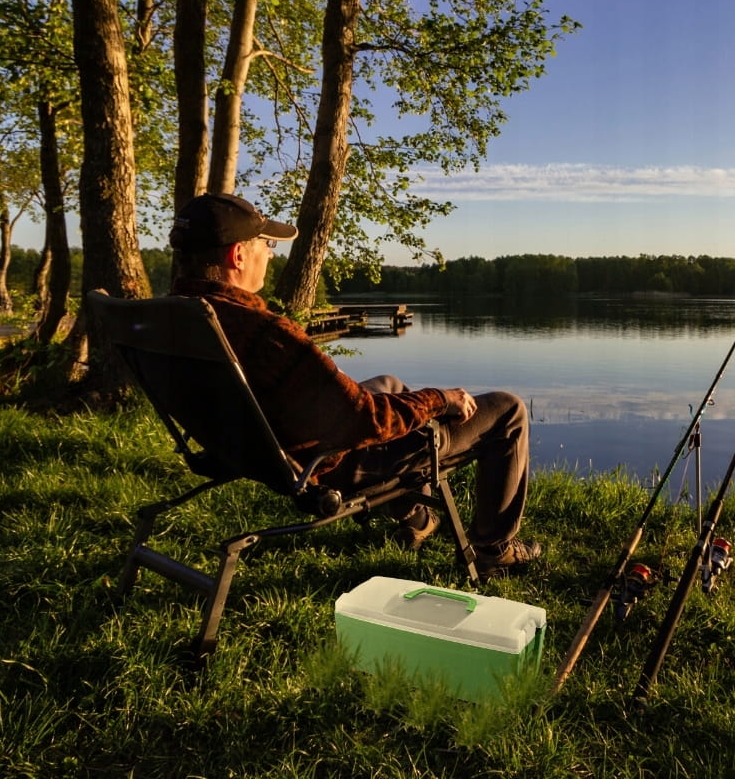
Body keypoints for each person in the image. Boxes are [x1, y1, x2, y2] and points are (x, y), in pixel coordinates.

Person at [168, 192, 540, 578]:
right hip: (330, 464)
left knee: (390, 384)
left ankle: (416, 518)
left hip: (255, 451)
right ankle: (493, 549)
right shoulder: (265, 334)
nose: (271, 255)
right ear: (238, 255)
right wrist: (439, 399)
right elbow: (368, 419)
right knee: (508, 410)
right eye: (267, 244)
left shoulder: (176, 319)